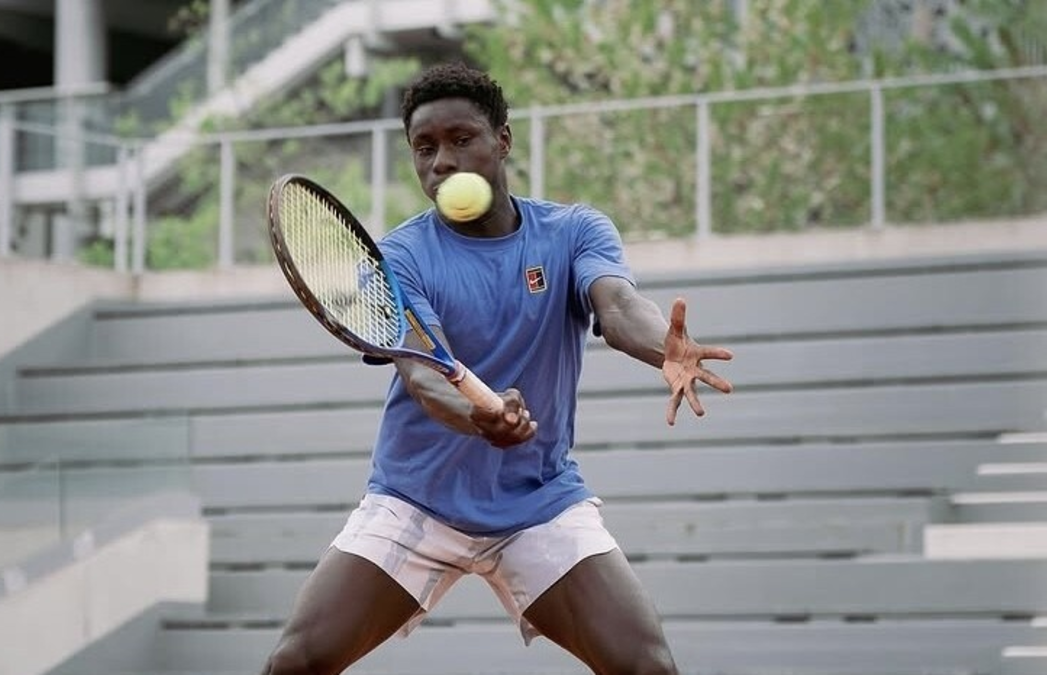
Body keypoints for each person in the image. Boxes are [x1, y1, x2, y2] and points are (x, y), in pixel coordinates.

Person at [261, 61, 734, 675]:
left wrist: (664, 348)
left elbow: (617, 307)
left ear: (503, 141)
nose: (442, 163)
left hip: (537, 503)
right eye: (424, 148)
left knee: (648, 666)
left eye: (462, 140)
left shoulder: (573, 231)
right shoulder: (399, 257)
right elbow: (424, 375)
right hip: (417, 500)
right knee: (294, 662)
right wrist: (480, 417)